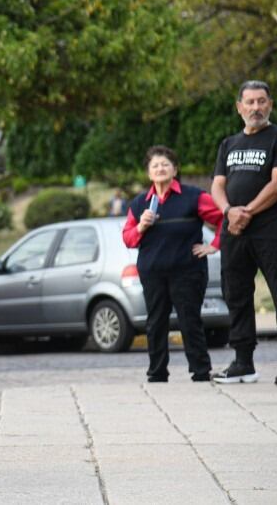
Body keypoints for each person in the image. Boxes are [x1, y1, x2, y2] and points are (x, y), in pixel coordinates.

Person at [210, 80, 277, 385]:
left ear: (270, 104)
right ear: (239, 107)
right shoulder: (228, 144)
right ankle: (243, 361)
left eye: (261, 101)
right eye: (250, 102)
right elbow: (217, 185)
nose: (256, 108)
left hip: (271, 229)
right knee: (236, 294)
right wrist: (229, 212)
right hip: (235, 230)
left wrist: (247, 211)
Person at [122, 146, 223, 382]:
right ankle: (157, 372)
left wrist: (214, 245)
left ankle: (200, 371)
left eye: (165, 164)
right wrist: (141, 226)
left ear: (174, 169)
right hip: (153, 272)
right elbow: (128, 238)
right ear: (148, 173)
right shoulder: (139, 204)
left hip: (188, 270)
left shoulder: (194, 196)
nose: (160, 169)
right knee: (155, 322)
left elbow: (224, 218)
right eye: (155, 165)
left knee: (190, 320)